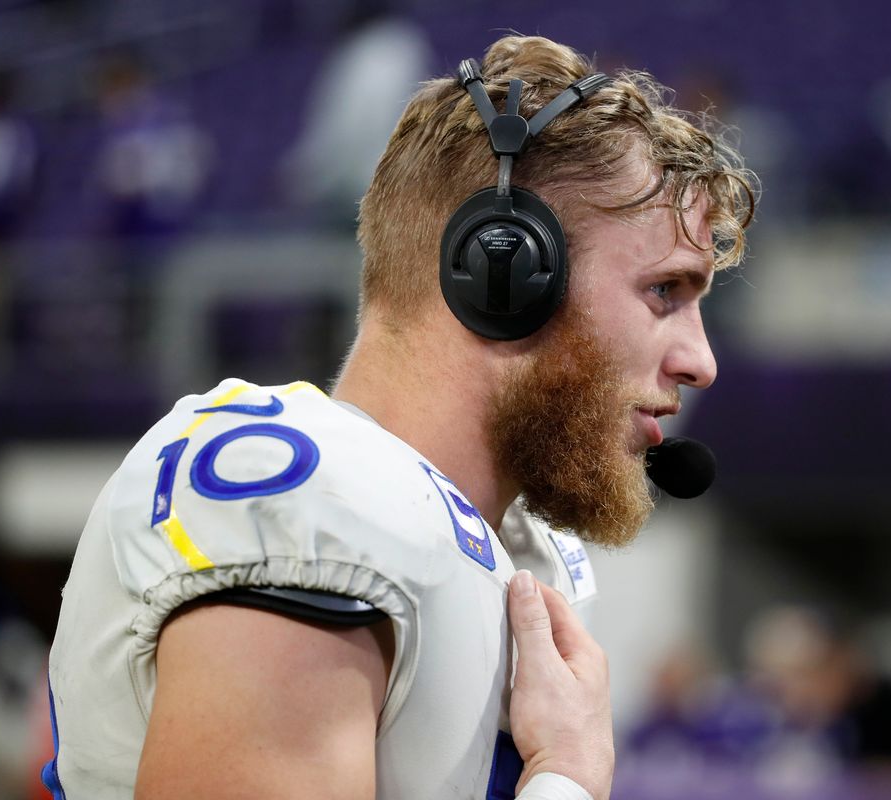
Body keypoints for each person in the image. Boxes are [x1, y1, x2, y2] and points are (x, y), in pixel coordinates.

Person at [41, 34, 754, 800]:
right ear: (505, 272)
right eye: (664, 292)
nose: (699, 361)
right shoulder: (305, 500)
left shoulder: (500, 547)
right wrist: (566, 783)